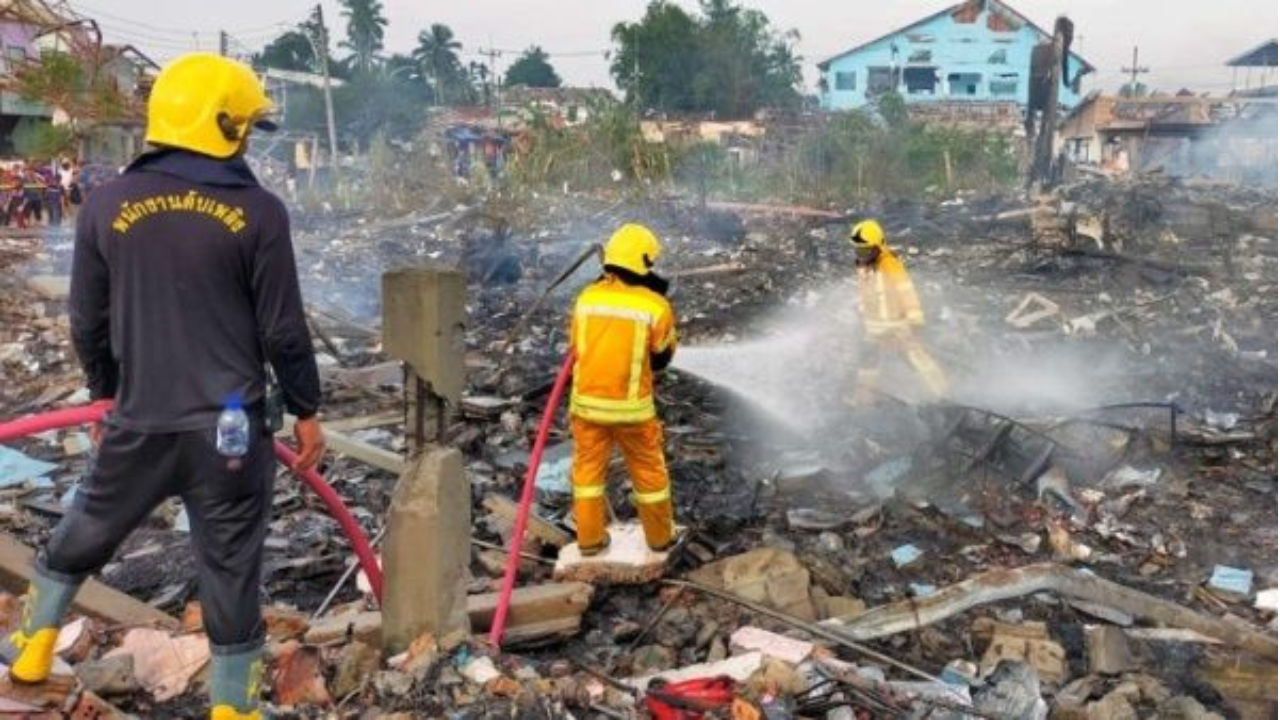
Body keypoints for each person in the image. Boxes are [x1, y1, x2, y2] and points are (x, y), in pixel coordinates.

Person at [0, 53, 326, 720]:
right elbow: (284, 331)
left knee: (87, 525)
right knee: (231, 566)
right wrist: (306, 411)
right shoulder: (260, 213)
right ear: (225, 127)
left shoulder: (107, 203)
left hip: (141, 419)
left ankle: (32, 646)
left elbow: (87, 320)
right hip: (231, 434)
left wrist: (106, 394)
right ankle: (233, 709)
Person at [568, 223, 679, 555]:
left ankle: (589, 541)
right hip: (632, 412)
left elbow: (576, 346)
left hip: (586, 408)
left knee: (587, 474)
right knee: (649, 474)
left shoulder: (586, 298)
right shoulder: (655, 306)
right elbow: (662, 358)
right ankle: (660, 539)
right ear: (644, 261)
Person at [849, 219, 948, 399]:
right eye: (857, 249)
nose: (860, 254)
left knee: (915, 358)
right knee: (868, 358)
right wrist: (862, 308)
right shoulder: (863, 266)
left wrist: (915, 319)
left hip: (897, 324)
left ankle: (941, 392)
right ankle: (863, 397)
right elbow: (867, 292)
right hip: (875, 326)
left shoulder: (889, 263)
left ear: (877, 246)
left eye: (864, 250)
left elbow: (906, 291)